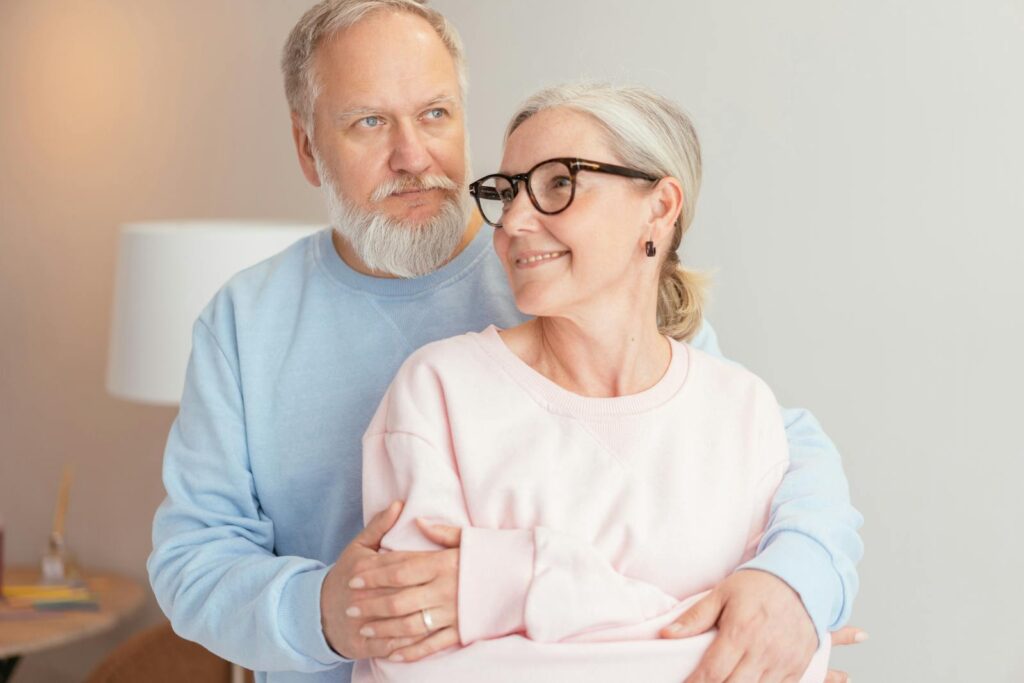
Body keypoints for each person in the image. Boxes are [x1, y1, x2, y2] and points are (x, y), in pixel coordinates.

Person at [147, 2, 863, 682]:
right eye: (368, 122)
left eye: (435, 114)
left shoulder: (565, 273)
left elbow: (772, 444)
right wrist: (329, 612)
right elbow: (191, 559)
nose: (412, 154)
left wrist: (792, 582)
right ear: (309, 149)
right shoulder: (246, 321)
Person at [350, 81, 833, 683]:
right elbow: (422, 666)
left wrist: (517, 587)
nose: (514, 222)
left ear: (659, 207)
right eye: (507, 192)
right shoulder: (439, 390)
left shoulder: (741, 411)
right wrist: (693, 633)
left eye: (558, 182)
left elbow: (788, 653)